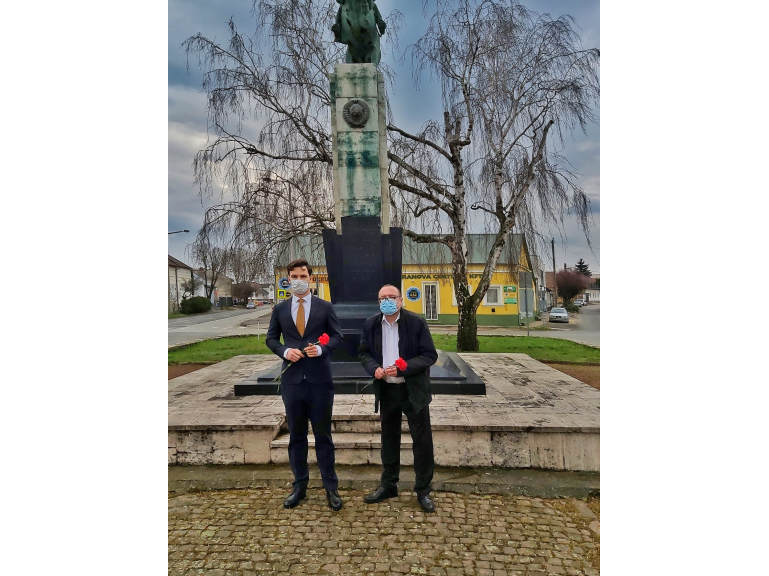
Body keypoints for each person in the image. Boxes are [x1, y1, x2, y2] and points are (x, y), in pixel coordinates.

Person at [265, 259, 345, 511]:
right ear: (288, 279)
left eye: (303, 276)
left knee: (323, 436)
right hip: (292, 382)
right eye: (294, 276)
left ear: (311, 278)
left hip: (319, 381)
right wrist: (284, 351)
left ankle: (331, 487)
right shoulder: (280, 309)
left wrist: (321, 349)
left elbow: (337, 337)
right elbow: (271, 339)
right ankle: (299, 486)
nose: (298, 280)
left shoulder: (325, 307)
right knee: (296, 437)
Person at [358, 284, 438, 513]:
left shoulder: (416, 322)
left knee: (421, 441)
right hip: (387, 390)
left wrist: (405, 368)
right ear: (378, 302)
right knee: (389, 439)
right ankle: (388, 485)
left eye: (391, 297)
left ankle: (423, 490)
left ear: (400, 300)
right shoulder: (371, 324)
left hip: (412, 389)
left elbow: (429, 355)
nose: (387, 301)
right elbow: (364, 352)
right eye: (382, 298)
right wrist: (373, 368)